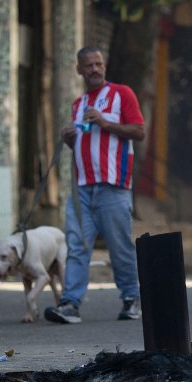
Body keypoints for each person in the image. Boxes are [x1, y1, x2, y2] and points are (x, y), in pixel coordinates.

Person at [44, 46, 146, 324]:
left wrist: (104, 122)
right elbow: (84, 142)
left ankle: (131, 298)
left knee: (120, 246)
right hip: (81, 188)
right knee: (76, 246)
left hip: (113, 185)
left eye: (98, 64)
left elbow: (139, 130)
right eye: (88, 65)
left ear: (104, 66)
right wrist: (69, 139)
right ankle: (70, 303)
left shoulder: (121, 94)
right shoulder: (78, 104)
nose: (94, 69)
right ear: (79, 69)